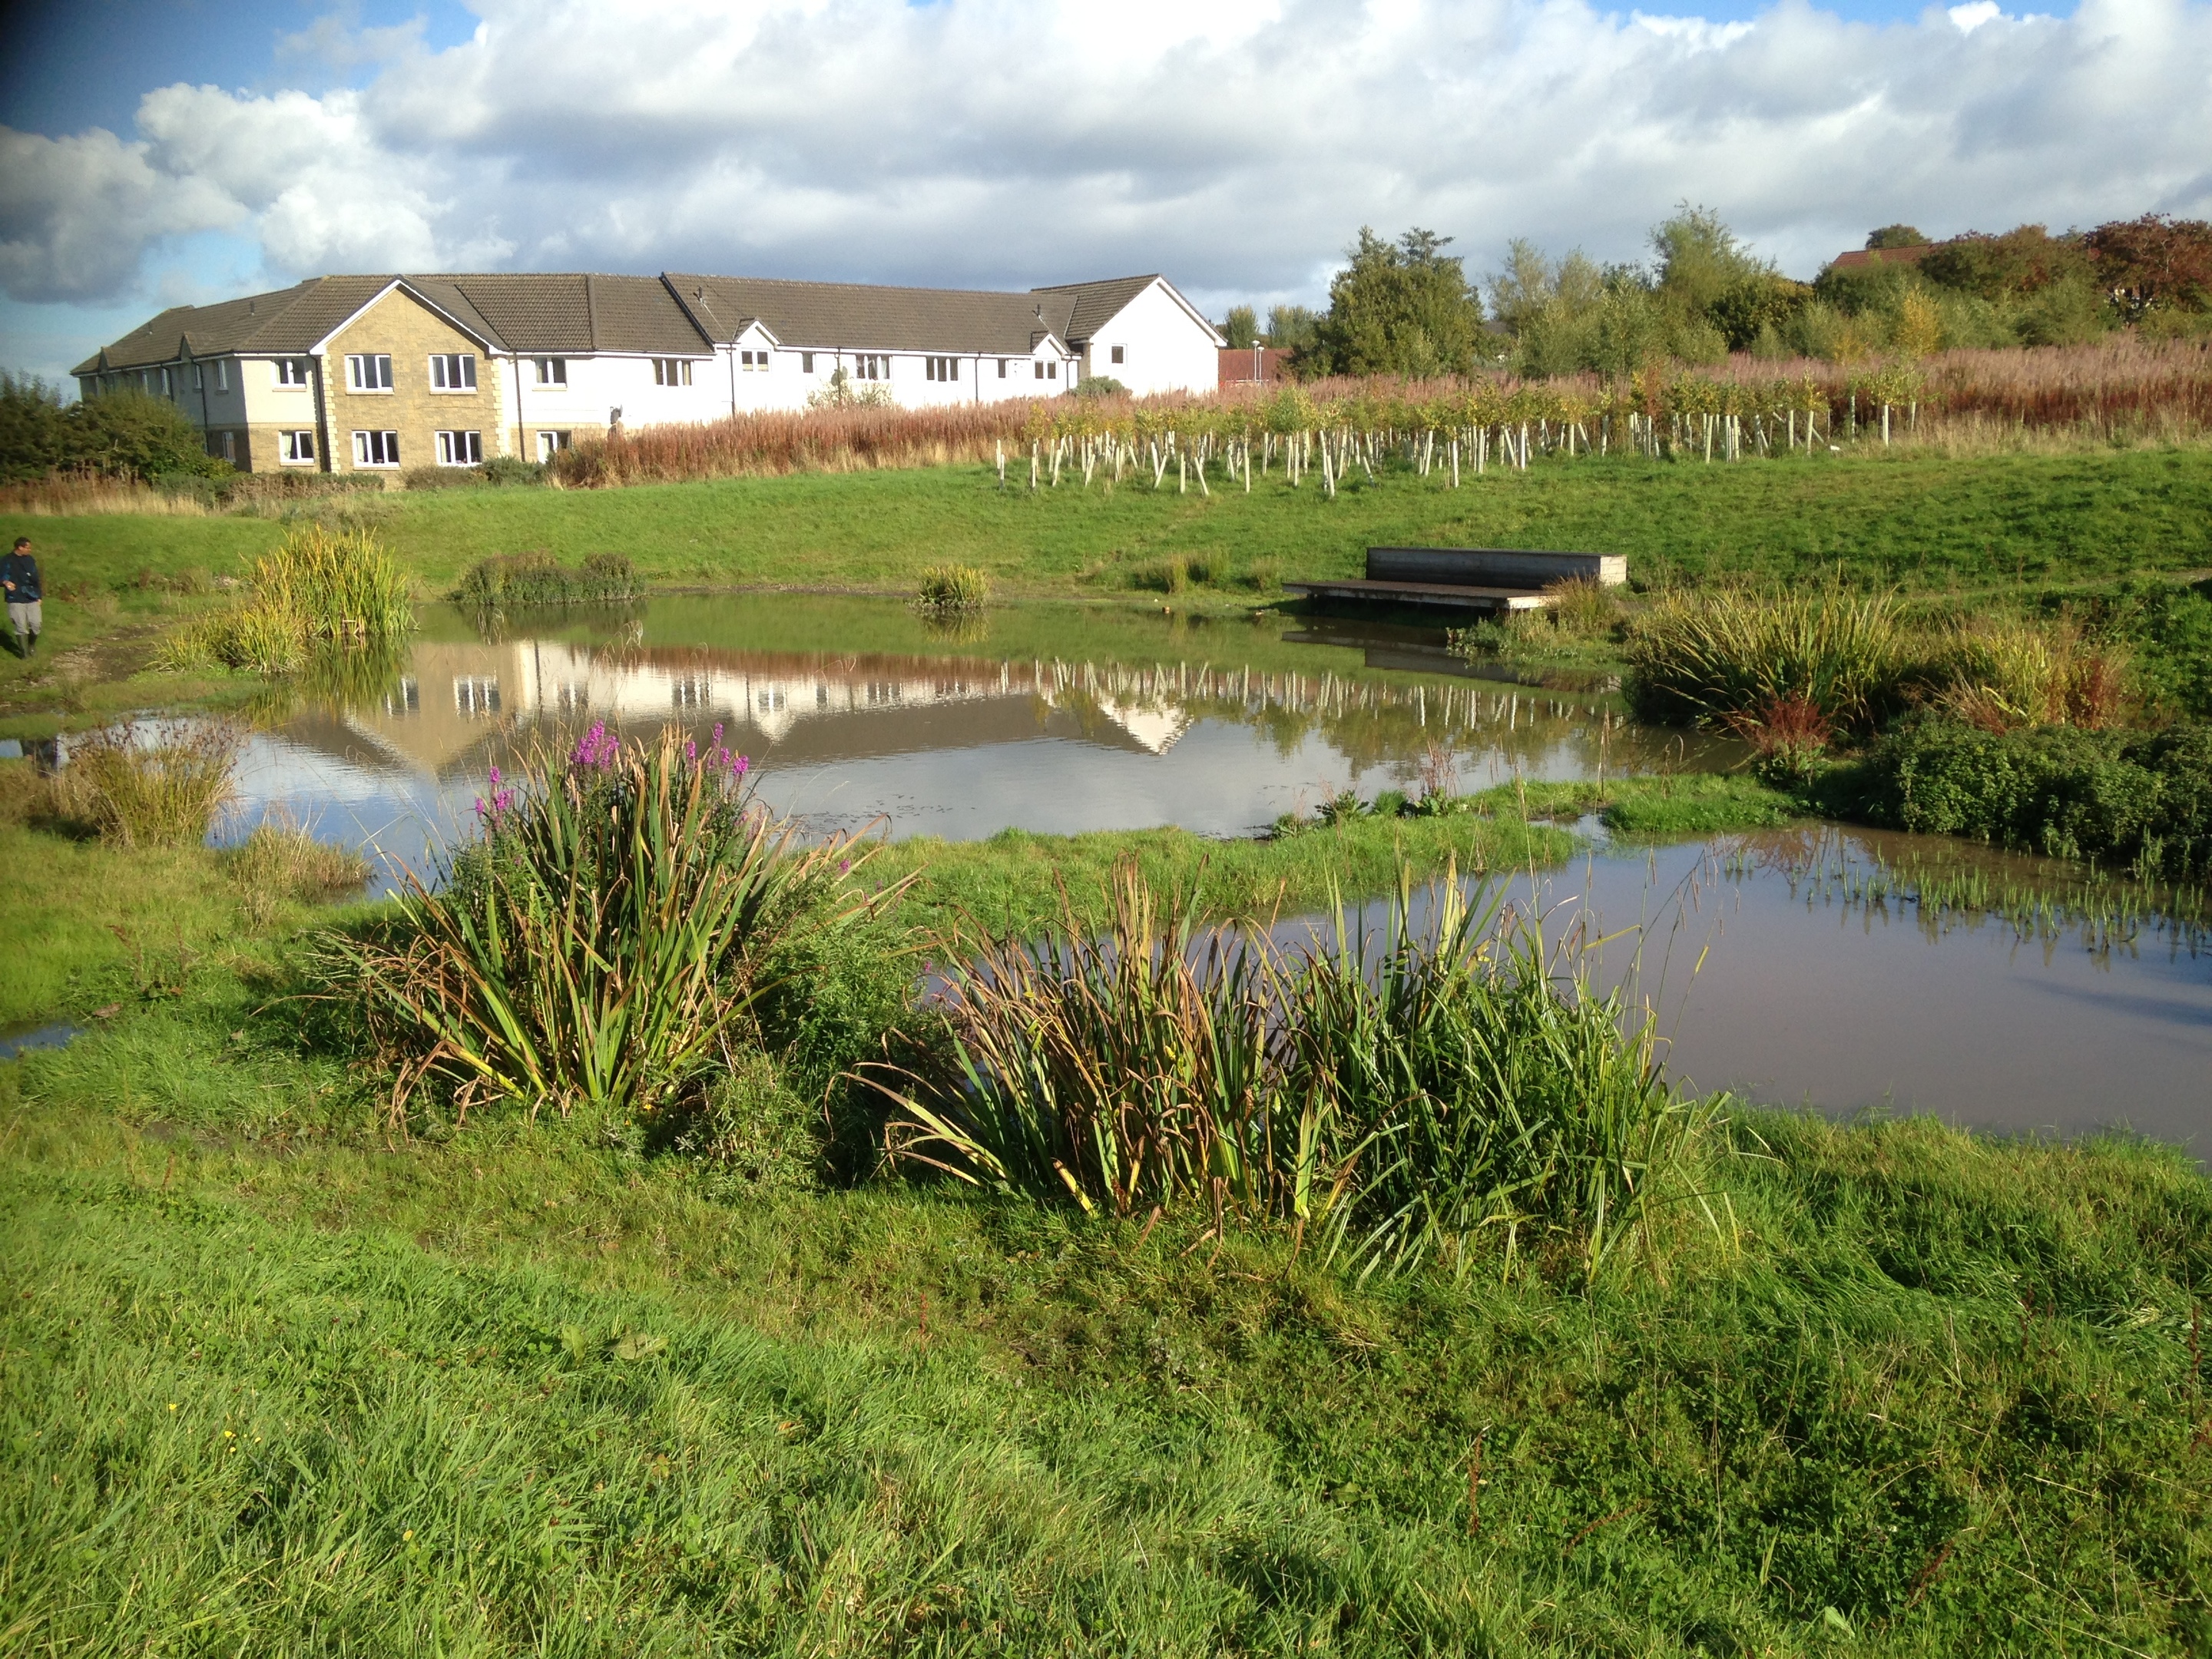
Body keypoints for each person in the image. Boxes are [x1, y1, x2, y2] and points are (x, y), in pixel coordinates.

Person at [1, 536, 40, 657]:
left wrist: (39, 596)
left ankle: (31, 645)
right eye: (28, 548)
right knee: (20, 625)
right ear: (20, 547)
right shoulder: (6, 560)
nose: (30, 550)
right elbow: (2, 576)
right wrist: (5, 582)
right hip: (15, 597)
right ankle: (24, 654)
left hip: (32, 596)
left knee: (36, 624)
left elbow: (36, 579)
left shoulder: (30, 560)